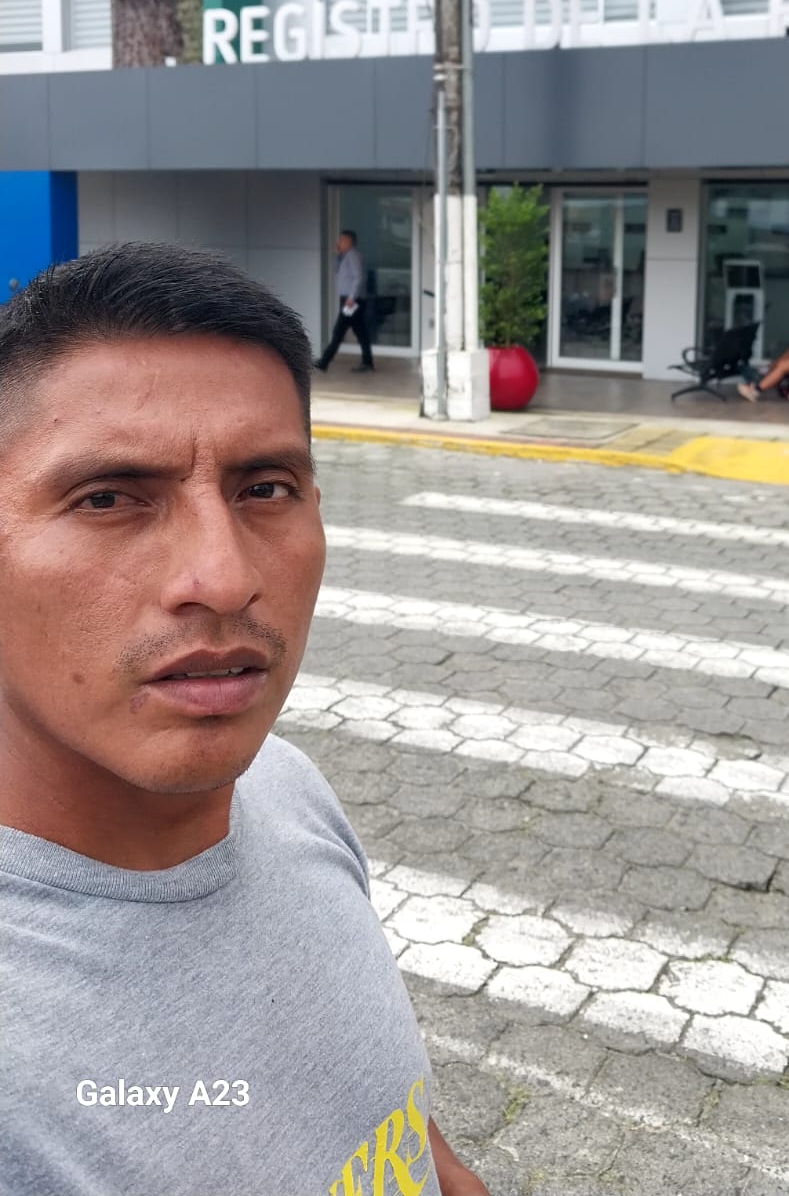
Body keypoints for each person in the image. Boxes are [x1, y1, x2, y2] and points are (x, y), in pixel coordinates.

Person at [0, 243, 487, 1196]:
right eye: (109, 499)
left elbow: (396, 1134)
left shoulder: (287, 787)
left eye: (265, 489)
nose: (224, 578)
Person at [314, 228, 374, 373]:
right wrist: (338, 255)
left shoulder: (353, 255)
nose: (339, 242)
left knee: (338, 331)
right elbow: (337, 270)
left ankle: (324, 362)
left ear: (348, 241)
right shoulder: (345, 255)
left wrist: (351, 298)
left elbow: (359, 277)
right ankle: (367, 362)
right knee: (360, 332)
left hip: (352, 300)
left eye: (341, 239)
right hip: (350, 300)